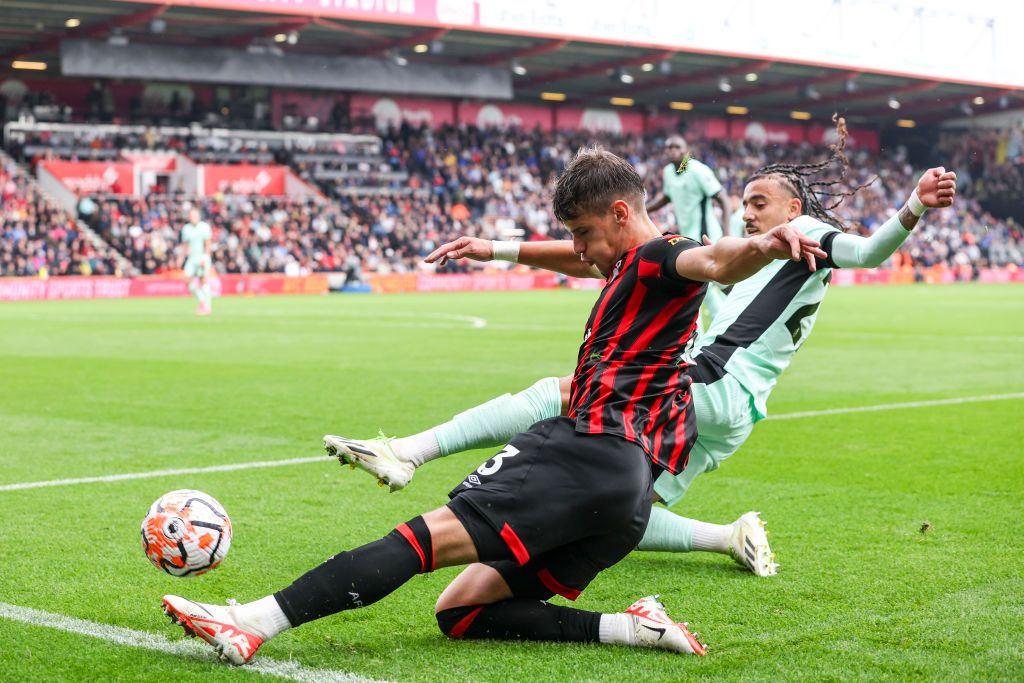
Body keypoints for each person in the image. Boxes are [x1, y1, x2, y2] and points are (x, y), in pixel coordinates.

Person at [162, 147, 824, 665]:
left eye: (588, 232)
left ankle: (251, 622)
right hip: (625, 500)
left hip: (583, 453)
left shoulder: (665, 254)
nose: (584, 249)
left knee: (418, 541)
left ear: (621, 215)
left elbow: (717, 261)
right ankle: (633, 626)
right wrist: (497, 249)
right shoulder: (632, 260)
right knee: (462, 609)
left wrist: (765, 244)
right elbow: (577, 257)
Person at [325, 120, 957, 578]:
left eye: (760, 204)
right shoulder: (736, 253)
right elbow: (609, 264)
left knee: (569, 395)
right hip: (732, 413)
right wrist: (496, 248)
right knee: (620, 507)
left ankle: (408, 451)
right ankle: (727, 537)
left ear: (793, 205)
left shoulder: (806, 234)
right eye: (743, 205)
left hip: (713, 384)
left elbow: (869, 252)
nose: (748, 214)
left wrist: (912, 207)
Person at [646, 135, 732, 322]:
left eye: (677, 146)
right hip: (686, 238)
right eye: (669, 147)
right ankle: (708, 331)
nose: (672, 150)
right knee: (701, 285)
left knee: (708, 284)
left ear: (686, 149)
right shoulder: (670, 171)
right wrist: (642, 210)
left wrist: (727, 234)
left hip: (707, 236)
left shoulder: (698, 171)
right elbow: (667, 197)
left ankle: (721, 325)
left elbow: (723, 199)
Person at [181, 207, 213, 316]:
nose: (193, 217)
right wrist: (181, 257)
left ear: (199, 216)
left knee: (203, 281)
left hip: (202, 257)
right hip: (191, 258)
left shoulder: (204, 227)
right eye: (191, 215)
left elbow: (208, 243)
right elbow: (185, 245)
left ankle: (207, 306)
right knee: (186, 279)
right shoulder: (186, 228)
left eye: (195, 215)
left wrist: (206, 256)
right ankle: (202, 300)